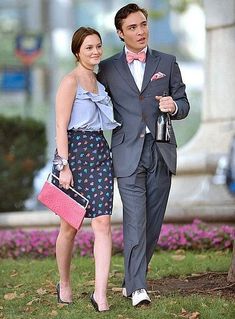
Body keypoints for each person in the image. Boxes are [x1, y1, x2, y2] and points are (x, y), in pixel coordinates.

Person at [97, 3, 190, 307]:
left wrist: (173, 107)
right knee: (135, 218)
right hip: (127, 152)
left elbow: (183, 103)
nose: (140, 31)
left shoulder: (168, 61)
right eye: (133, 27)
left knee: (153, 221)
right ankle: (139, 288)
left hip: (161, 149)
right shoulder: (108, 69)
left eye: (144, 25)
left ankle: (130, 280)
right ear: (121, 34)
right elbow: (95, 103)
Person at [53, 26, 119, 312]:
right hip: (74, 155)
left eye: (98, 46)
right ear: (77, 51)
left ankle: (100, 294)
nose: (95, 52)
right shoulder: (70, 82)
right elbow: (60, 126)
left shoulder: (101, 84)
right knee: (69, 228)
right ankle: (64, 283)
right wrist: (64, 167)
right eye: (89, 47)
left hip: (100, 152)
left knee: (103, 223)